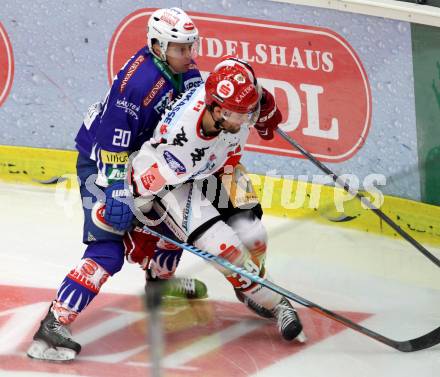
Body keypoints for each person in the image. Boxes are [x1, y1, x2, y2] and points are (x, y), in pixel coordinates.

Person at [27, 8, 207, 362]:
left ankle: (160, 284)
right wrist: (116, 190)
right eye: (180, 49)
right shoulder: (135, 85)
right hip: (102, 165)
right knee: (108, 251)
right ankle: (55, 321)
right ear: (157, 46)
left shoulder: (185, 72)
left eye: (190, 47)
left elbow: (200, 109)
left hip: (145, 163)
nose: (189, 56)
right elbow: (109, 145)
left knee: (177, 220)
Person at [127, 56, 306, 343]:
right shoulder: (180, 147)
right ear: (219, 111)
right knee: (228, 252)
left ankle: (249, 287)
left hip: (220, 166)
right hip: (178, 185)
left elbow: (244, 73)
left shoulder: (232, 92)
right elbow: (144, 186)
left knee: (254, 236)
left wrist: (265, 103)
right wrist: (136, 214)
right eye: (242, 115)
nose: (248, 120)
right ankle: (277, 302)